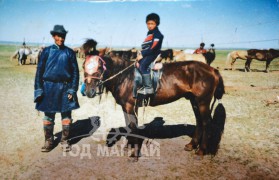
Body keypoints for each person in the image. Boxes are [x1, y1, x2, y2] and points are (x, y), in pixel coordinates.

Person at [34, 25, 80, 152]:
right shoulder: (46, 51)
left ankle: (65, 141)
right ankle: (48, 141)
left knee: (66, 116)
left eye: (63, 36)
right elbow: (39, 72)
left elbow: (75, 73)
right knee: (48, 117)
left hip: (65, 88)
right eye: (58, 36)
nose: (61, 38)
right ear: (54, 36)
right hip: (48, 88)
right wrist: (39, 90)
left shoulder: (69, 52)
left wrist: (72, 90)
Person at [136, 13, 164, 96]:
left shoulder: (157, 34)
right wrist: (141, 52)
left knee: (143, 66)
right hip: (148, 53)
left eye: (152, 24)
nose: (150, 25)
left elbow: (153, 47)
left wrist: (143, 54)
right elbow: (147, 45)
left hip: (153, 53)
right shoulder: (149, 33)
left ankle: (148, 88)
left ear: (156, 24)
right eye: (148, 23)